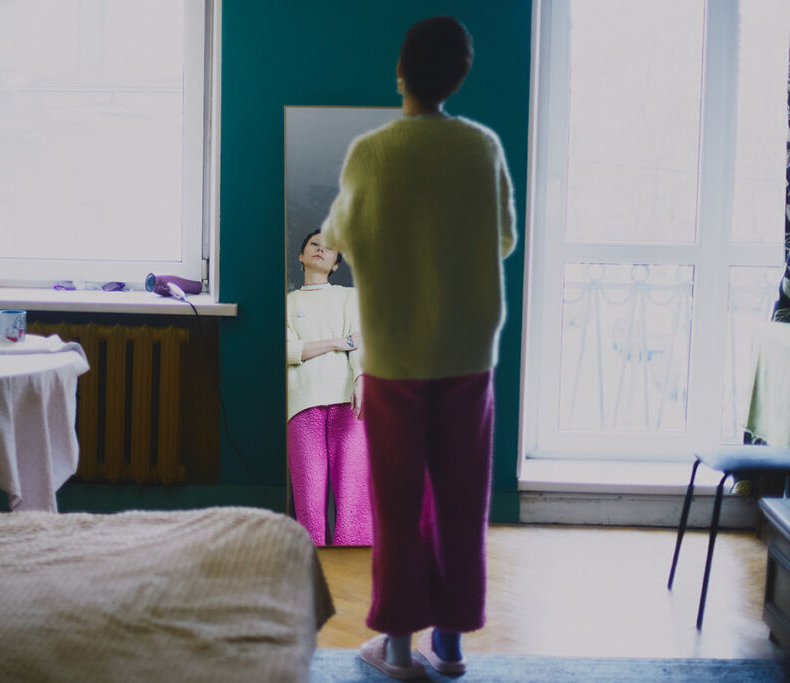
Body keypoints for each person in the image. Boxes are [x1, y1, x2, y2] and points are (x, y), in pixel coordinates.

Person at [320, 16, 516, 679]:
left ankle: (400, 649)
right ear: (459, 77)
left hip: (395, 355)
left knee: (397, 503)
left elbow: (339, 235)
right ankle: (452, 645)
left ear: (401, 70)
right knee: (462, 498)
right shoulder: (482, 147)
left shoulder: (372, 153)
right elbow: (504, 238)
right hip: (467, 352)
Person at [286, 229, 372, 546]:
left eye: (329, 248)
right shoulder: (288, 302)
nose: (320, 249)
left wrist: (361, 378)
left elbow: (361, 344)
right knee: (308, 499)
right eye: (314, 244)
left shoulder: (350, 297)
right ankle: (311, 566)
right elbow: (287, 351)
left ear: (336, 264)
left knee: (354, 498)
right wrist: (338, 342)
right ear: (301, 256)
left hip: (348, 400)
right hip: (302, 403)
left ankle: (352, 568)